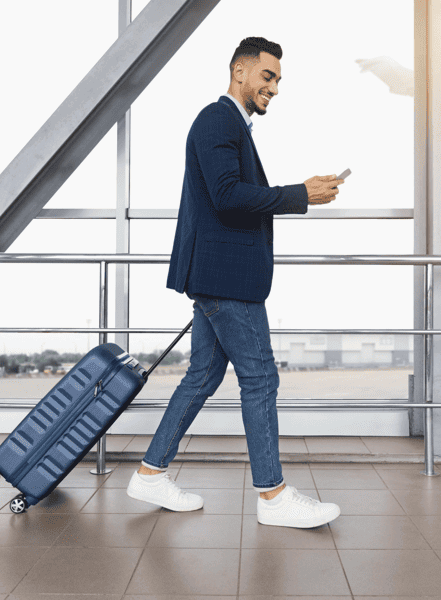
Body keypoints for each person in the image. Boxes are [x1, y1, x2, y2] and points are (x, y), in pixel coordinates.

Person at [126, 37, 345, 528]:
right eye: (267, 77)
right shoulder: (217, 119)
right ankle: (273, 497)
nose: (274, 88)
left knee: (202, 377)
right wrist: (298, 194)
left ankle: (150, 473)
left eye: (278, 81)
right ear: (240, 71)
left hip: (219, 276)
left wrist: (300, 192)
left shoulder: (231, 126)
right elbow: (226, 196)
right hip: (225, 280)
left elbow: (231, 193)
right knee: (261, 378)